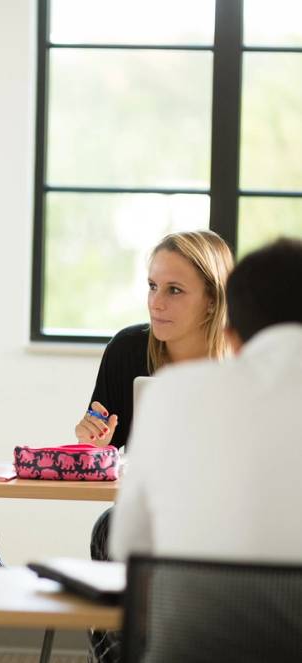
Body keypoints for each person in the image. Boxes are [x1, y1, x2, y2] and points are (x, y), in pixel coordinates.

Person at [108, 238, 302, 661]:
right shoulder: (131, 349)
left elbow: (127, 545)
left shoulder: (173, 394)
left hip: (191, 643)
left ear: (232, 332)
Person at [80, 229, 234, 663]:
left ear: (211, 299)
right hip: (150, 506)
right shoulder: (128, 349)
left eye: (174, 290)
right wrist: (92, 442)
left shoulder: (242, 359)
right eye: (152, 286)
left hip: (224, 512)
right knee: (108, 530)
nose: (156, 302)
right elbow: (107, 453)